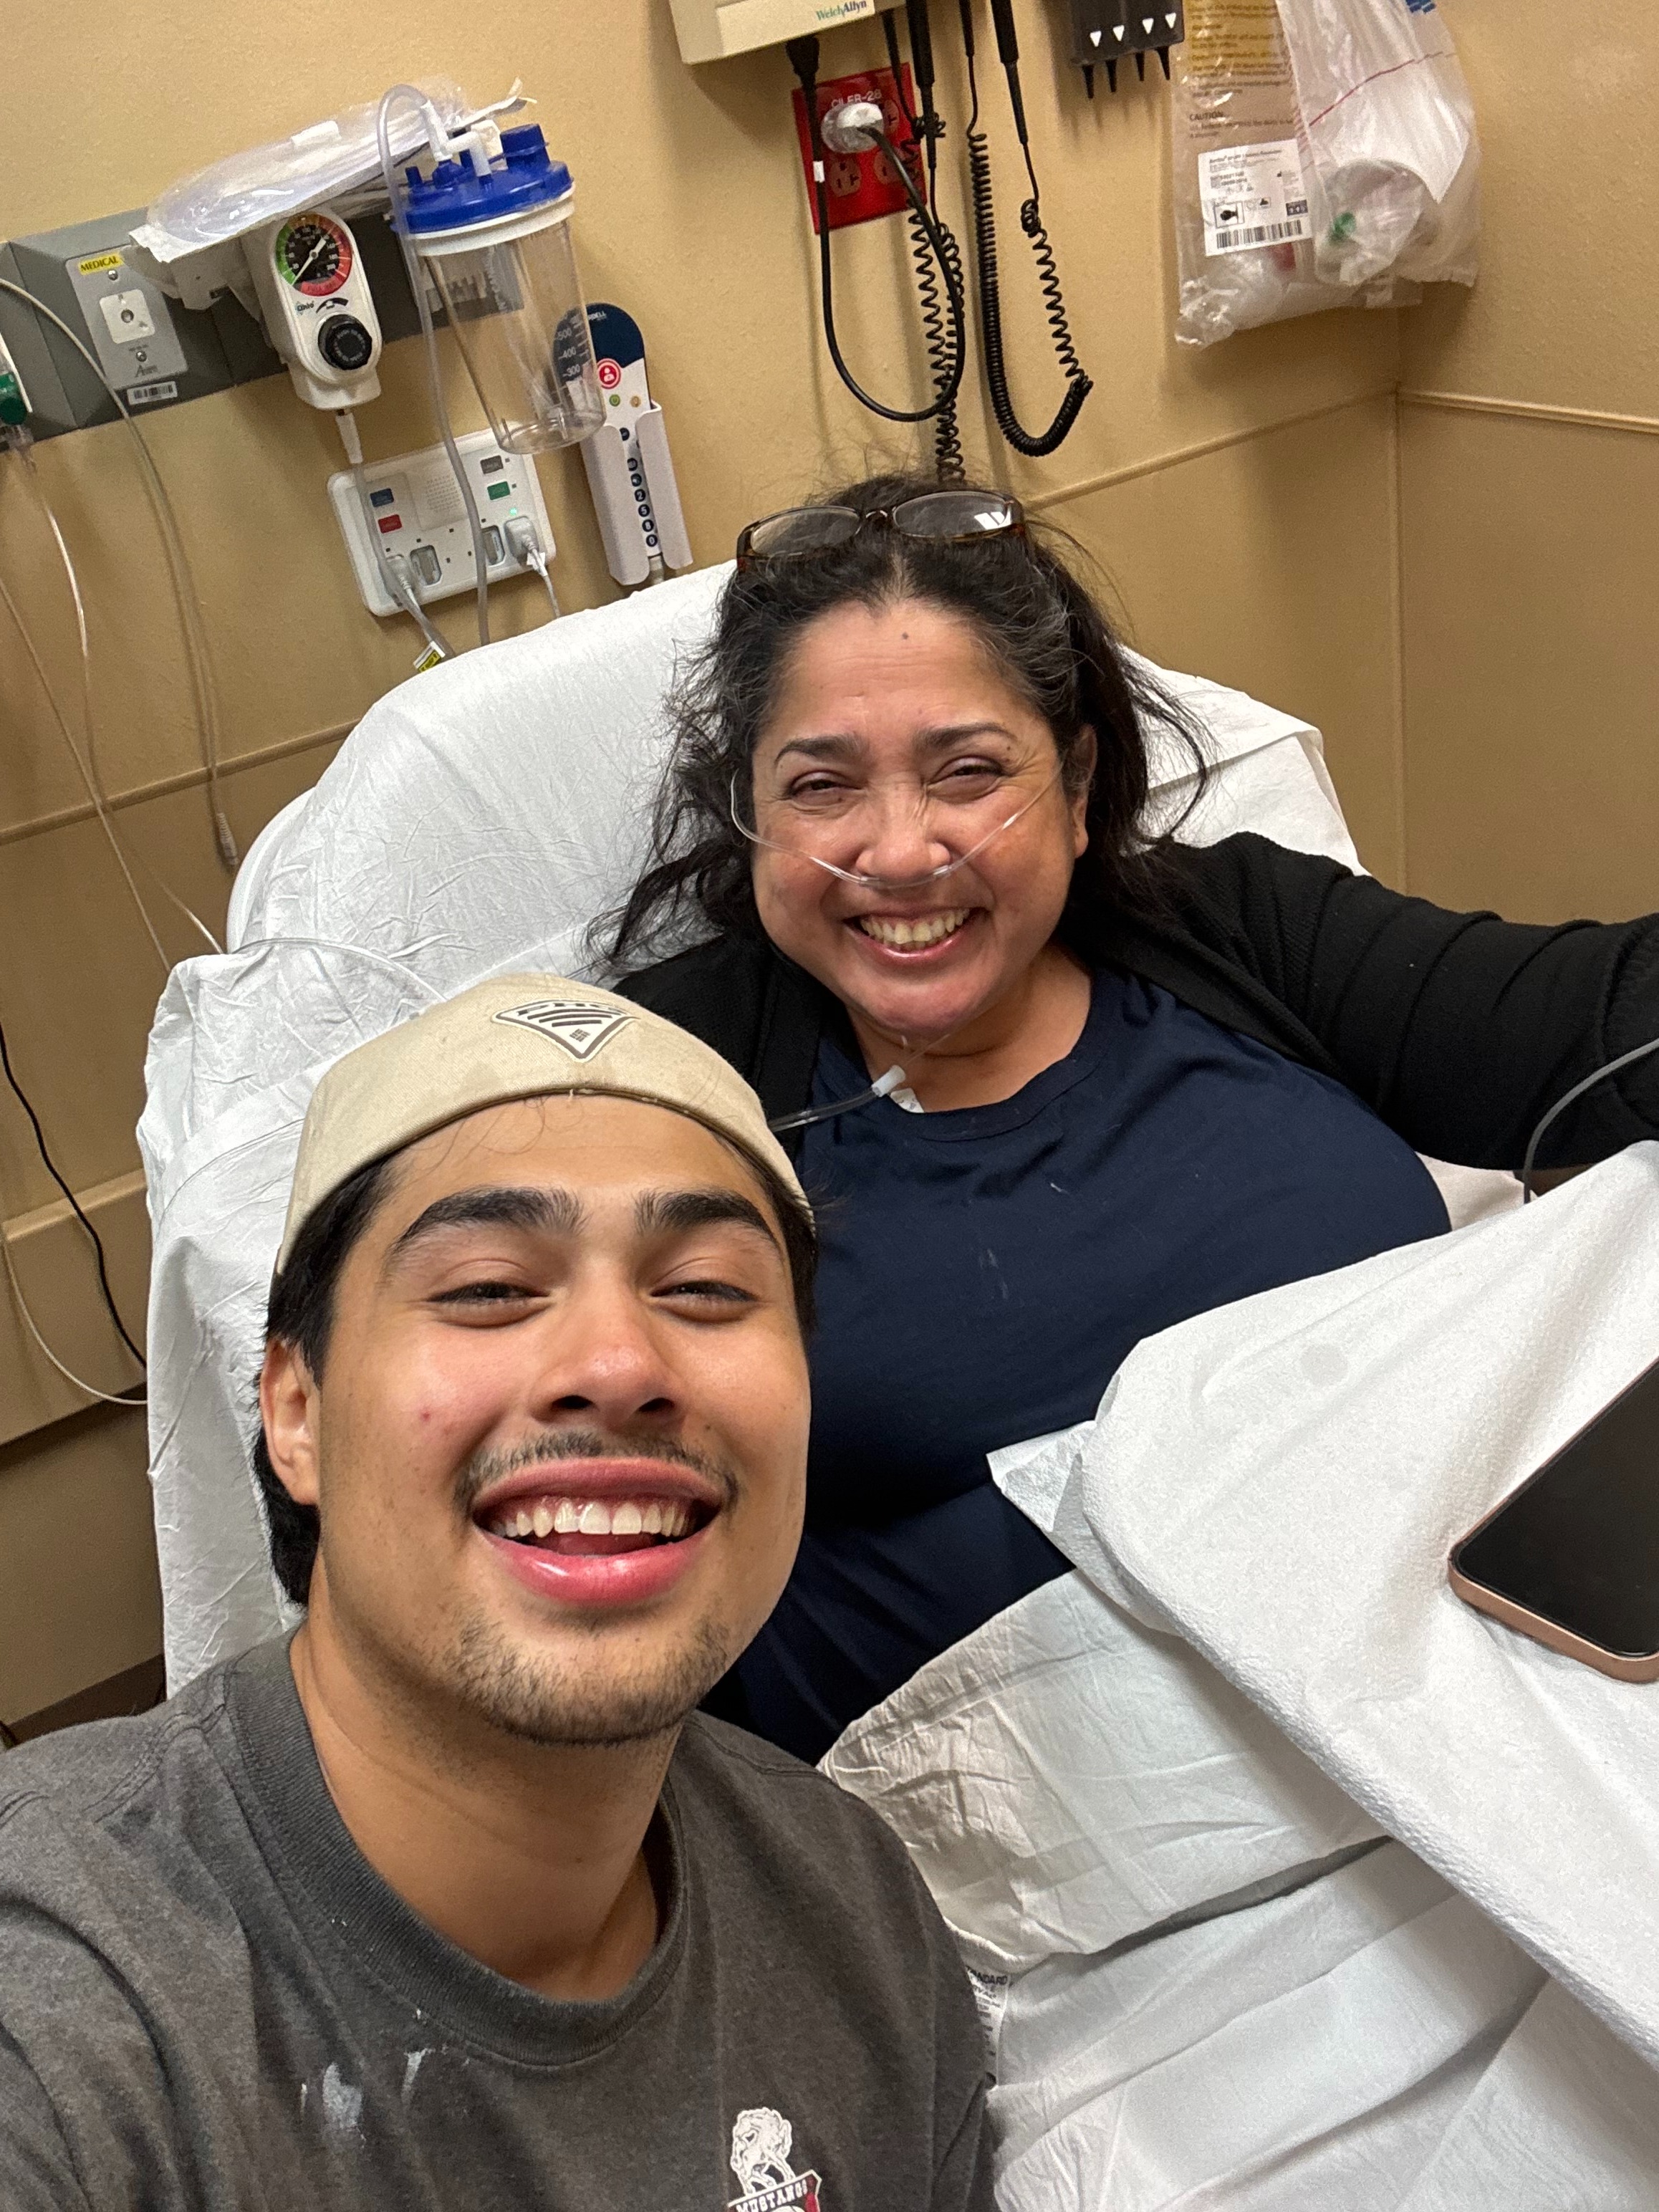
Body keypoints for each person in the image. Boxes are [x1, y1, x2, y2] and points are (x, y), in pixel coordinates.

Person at [608, 471, 1659, 1763]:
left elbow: (1606, 1023)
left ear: (1077, 782)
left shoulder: (1238, 934)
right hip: (1046, 1827)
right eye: (822, 787)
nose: (901, 852)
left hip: (1487, 1692)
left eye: (969, 772)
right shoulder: (663, 1081)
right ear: (752, 815)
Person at [0, 976, 994, 2212]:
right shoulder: (72, 1998)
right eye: (487, 1287)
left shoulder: (854, 1921)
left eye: (705, 1289)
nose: (620, 1364)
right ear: (297, 1413)